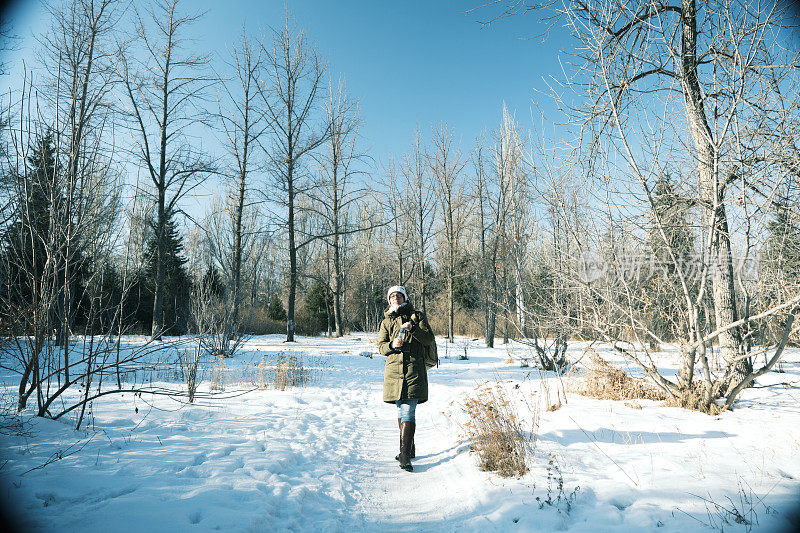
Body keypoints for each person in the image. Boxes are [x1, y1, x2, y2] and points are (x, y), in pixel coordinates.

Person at [377, 285, 435, 472]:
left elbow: (428, 340)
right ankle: (409, 448)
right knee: (401, 411)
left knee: (409, 411)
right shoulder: (386, 321)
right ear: (389, 300)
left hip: (414, 369)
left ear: (404, 298)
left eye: (399, 295)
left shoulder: (417, 316)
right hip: (394, 371)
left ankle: (404, 456)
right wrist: (392, 345)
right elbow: (381, 347)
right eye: (392, 296)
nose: (395, 298)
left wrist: (413, 329)